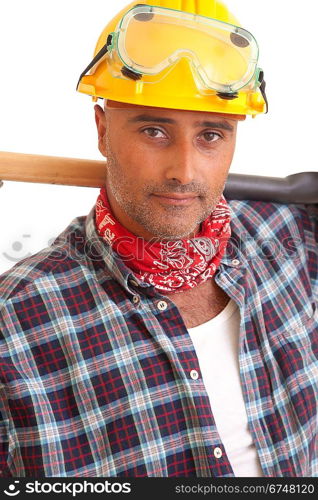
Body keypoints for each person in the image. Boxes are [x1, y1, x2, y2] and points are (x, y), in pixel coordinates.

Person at [0, 0, 317, 478]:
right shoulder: (16, 322)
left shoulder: (291, 238)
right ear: (103, 131)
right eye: (153, 130)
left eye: (211, 135)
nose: (184, 172)